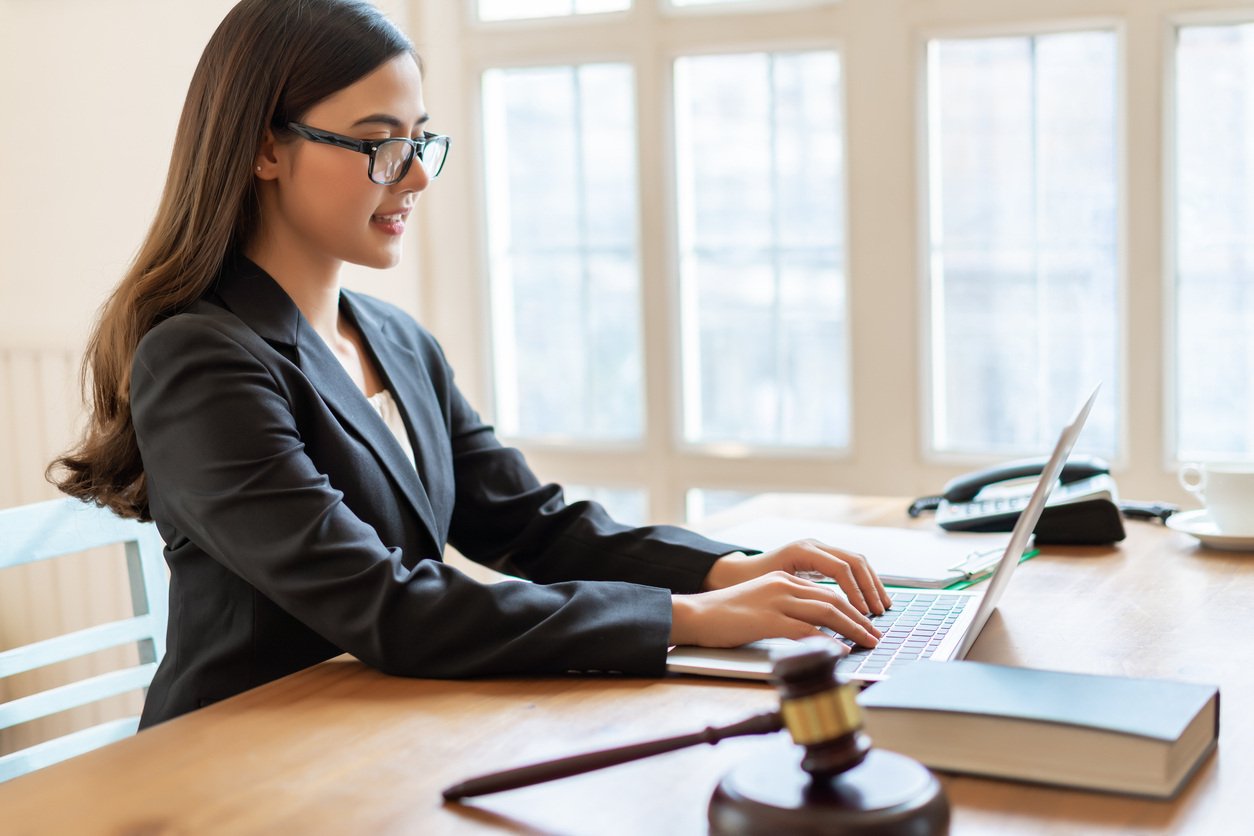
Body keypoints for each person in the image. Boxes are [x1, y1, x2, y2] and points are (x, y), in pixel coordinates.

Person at [50, 0, 890, 728]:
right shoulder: (199, 360)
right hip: (239, 763)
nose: (415, 175)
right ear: (265, 149)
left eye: (421, 141)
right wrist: (690, 616)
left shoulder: (395, 340)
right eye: (379, 144)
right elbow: (389, 607)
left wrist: (729, 570)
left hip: (385, 725)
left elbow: (529, 524)